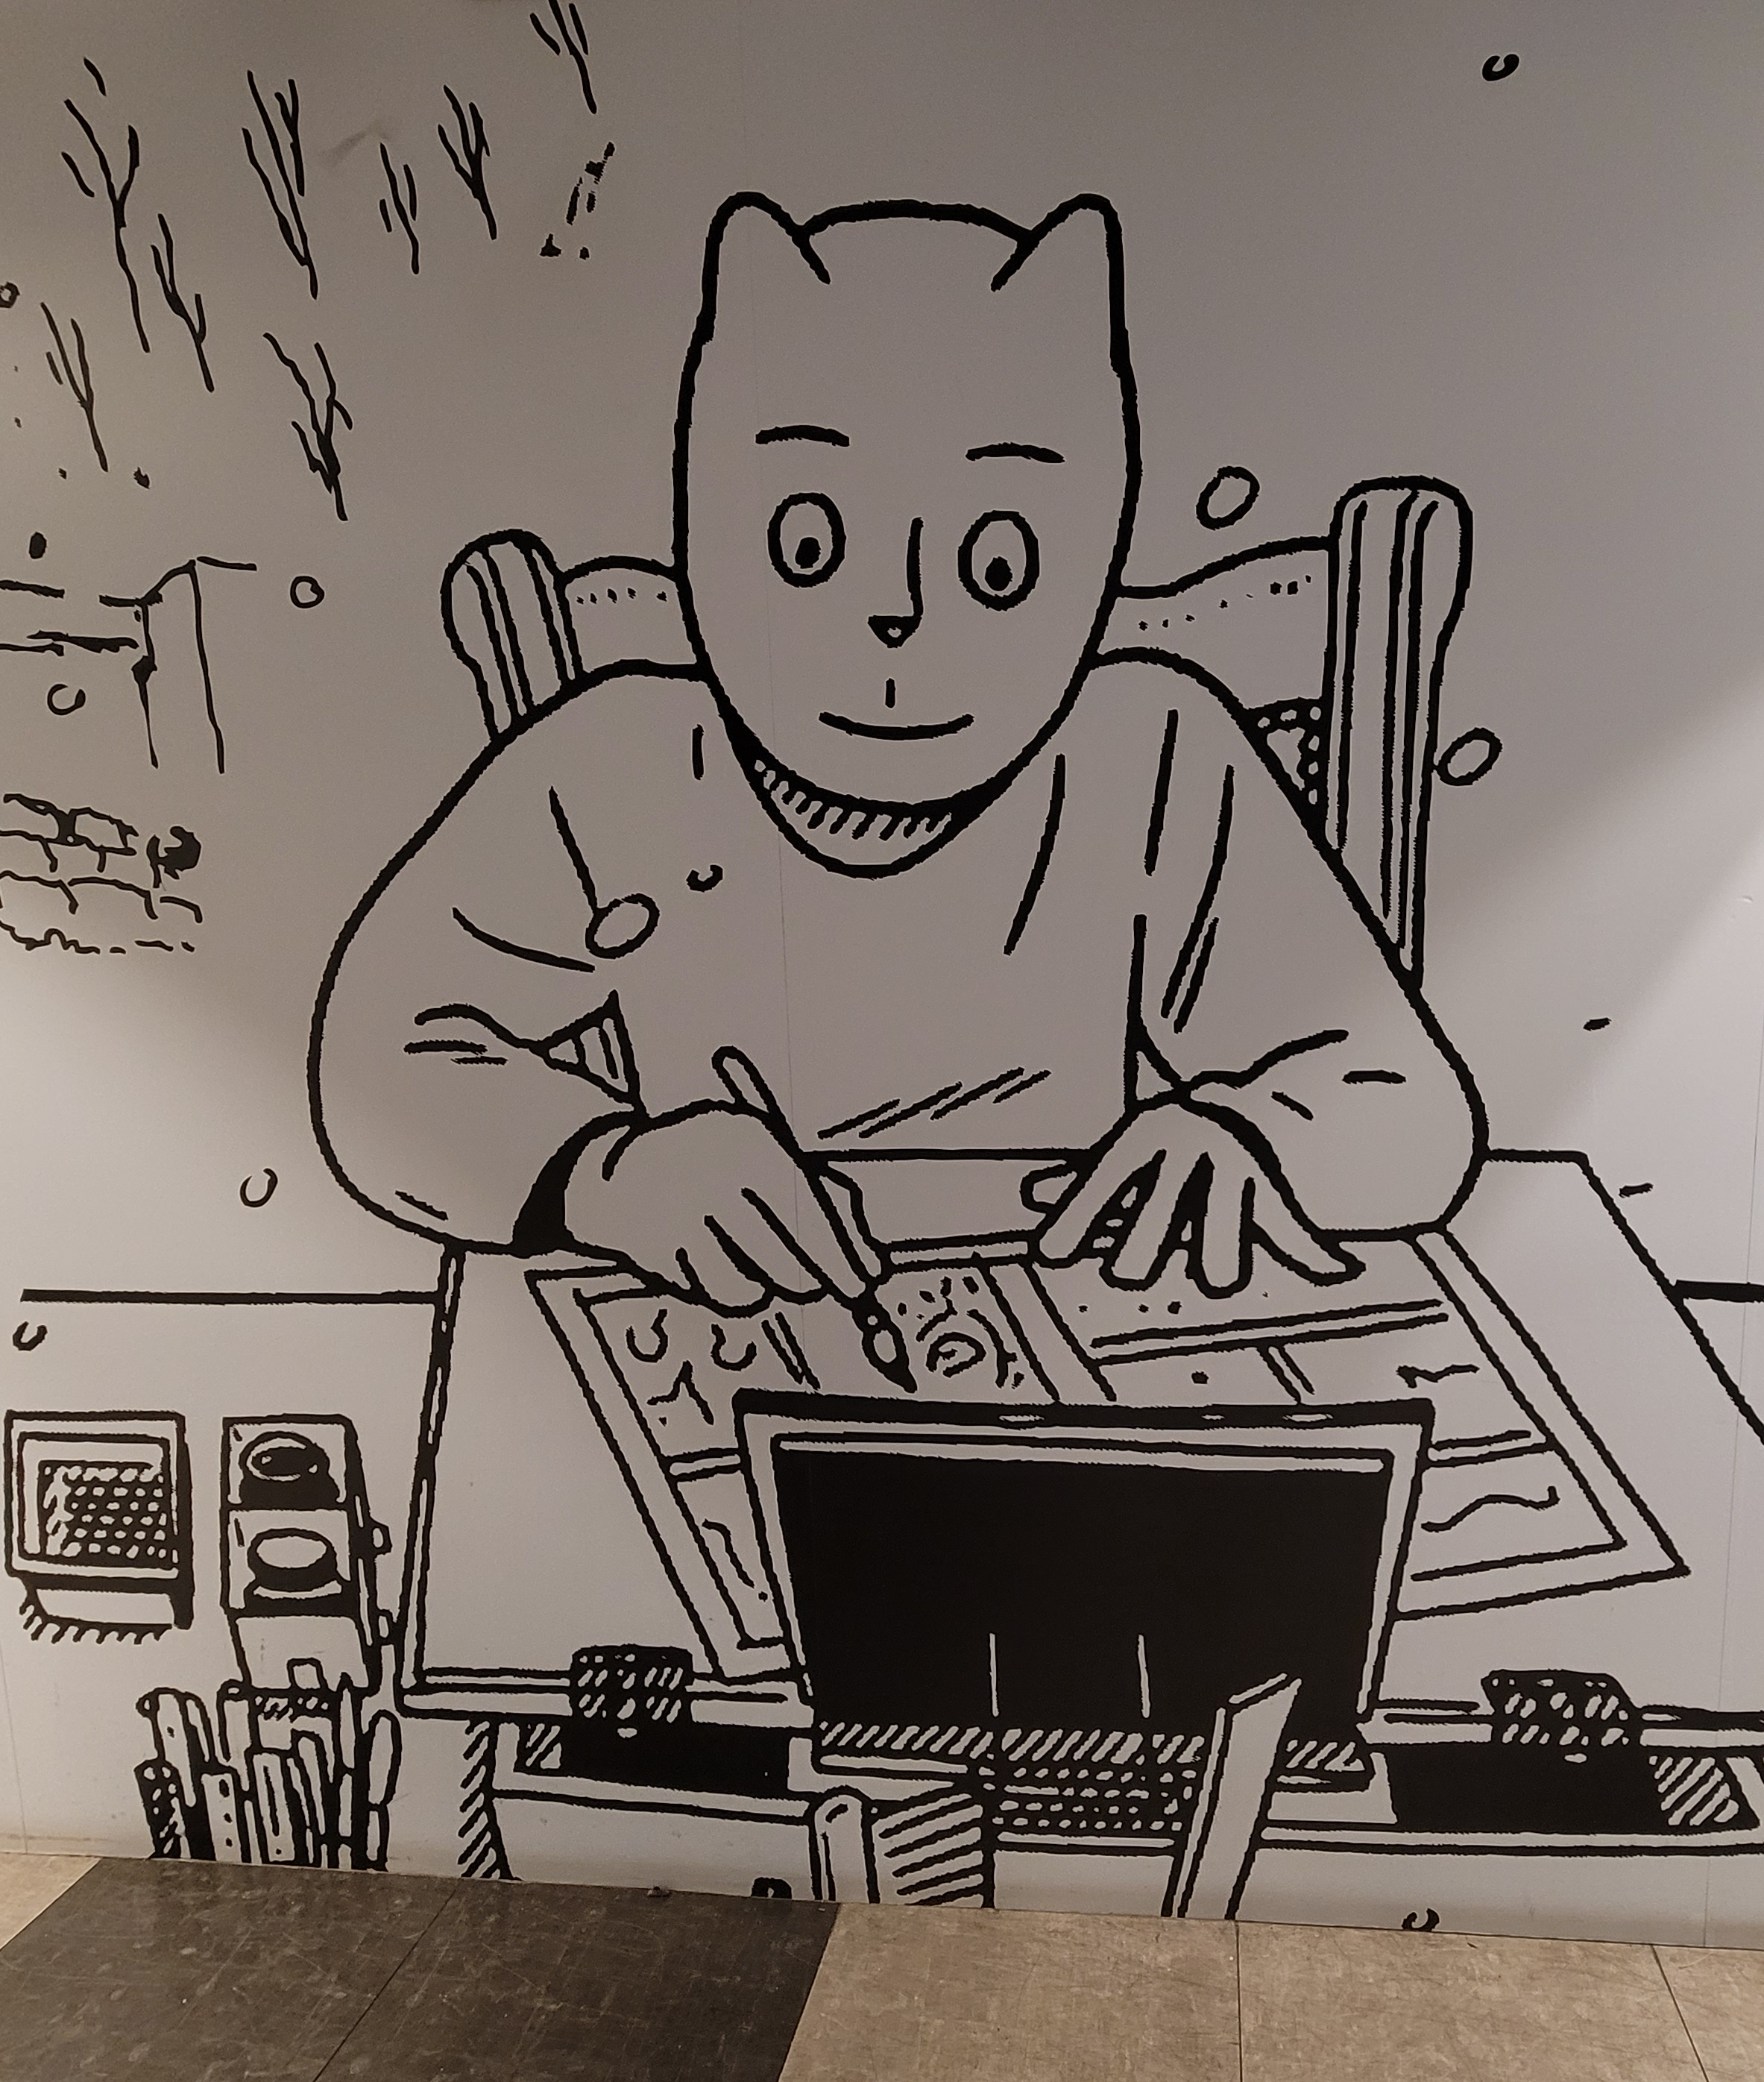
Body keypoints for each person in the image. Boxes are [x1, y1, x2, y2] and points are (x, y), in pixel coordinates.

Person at [313, 193, 1480, 1318]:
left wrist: (1252, 1137)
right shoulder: (612, 765)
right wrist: (605, 1175)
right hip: (736, 1332)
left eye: (996, 566)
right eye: (807, 544)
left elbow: (1408, 1102)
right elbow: (379, 1061)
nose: (898, 621)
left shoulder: (1153, 754)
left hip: (1086, 1338)